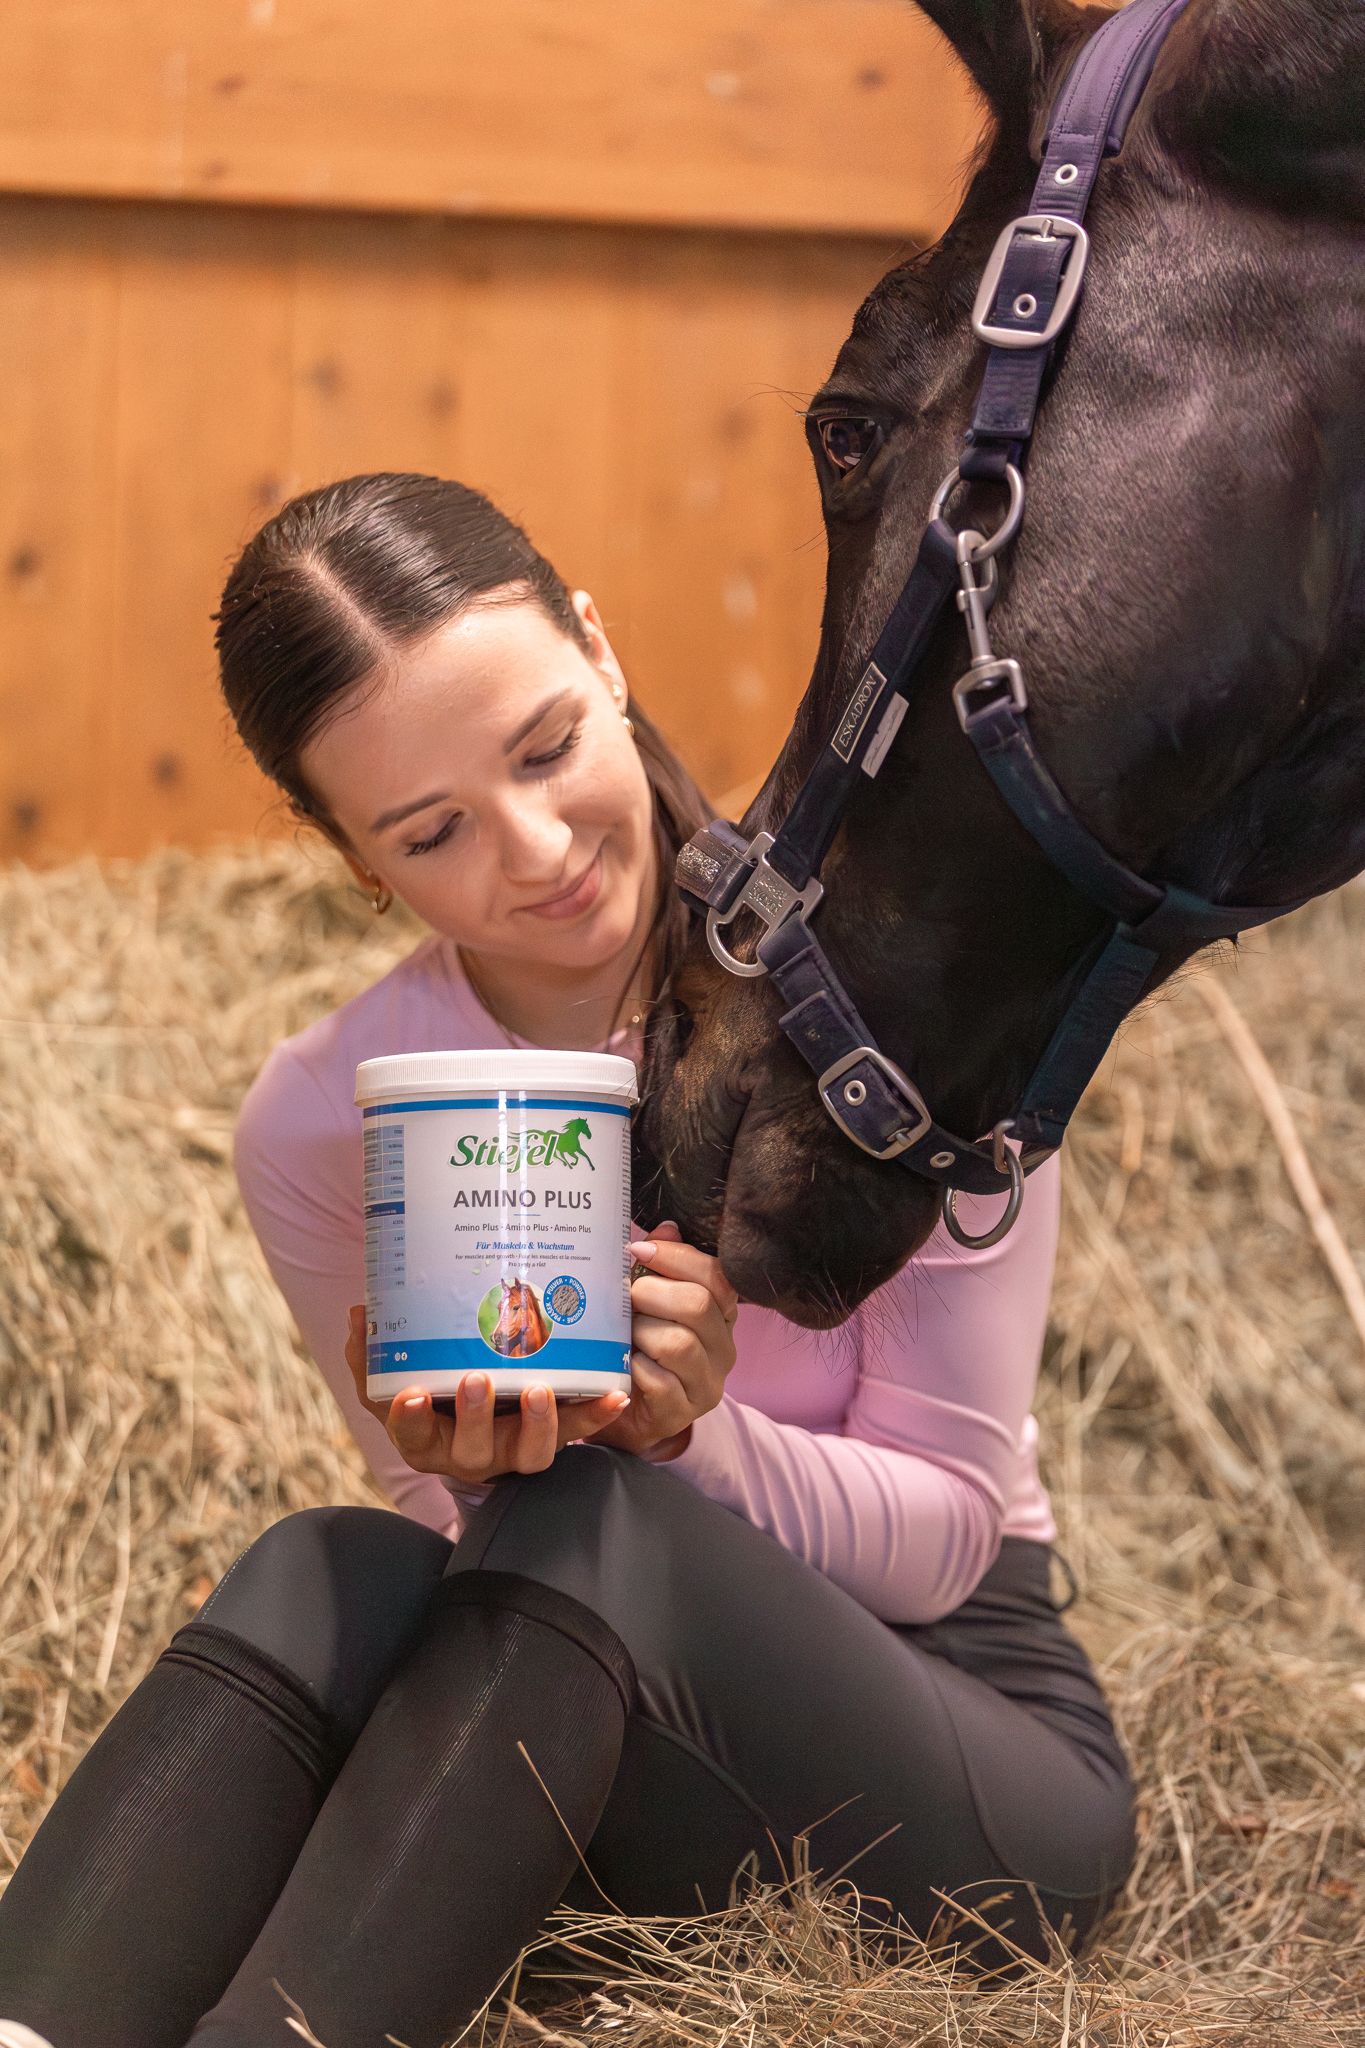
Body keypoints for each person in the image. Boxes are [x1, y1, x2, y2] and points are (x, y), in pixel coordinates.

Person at [0, 474, 1135, 2048]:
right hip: (577, 1742)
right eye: (429, 830)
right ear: (352, 860)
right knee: (327, 1560)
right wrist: (460, 1467)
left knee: (603, 1518)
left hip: (964, 1761)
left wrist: (692, 1442)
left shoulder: (895, 999)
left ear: (599, 652)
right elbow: (469, 1578)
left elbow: (948, 1544)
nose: (535, 851)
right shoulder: (327, 1120)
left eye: (544, 748)